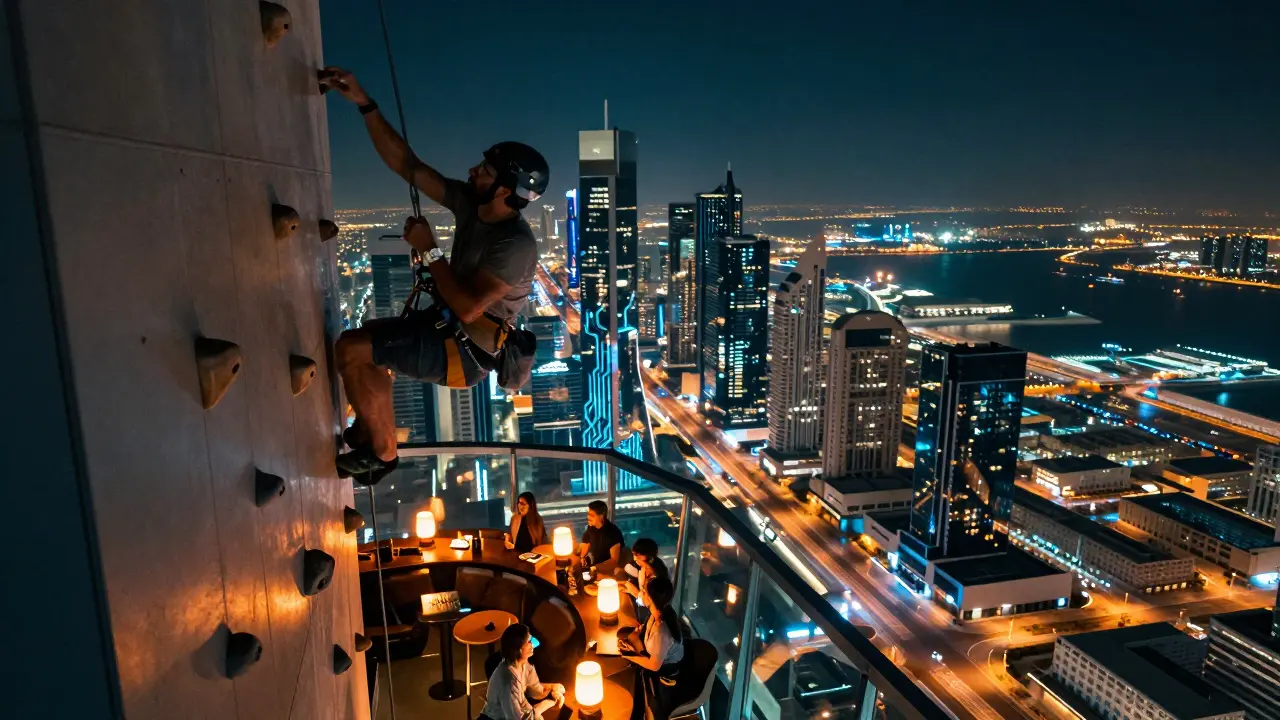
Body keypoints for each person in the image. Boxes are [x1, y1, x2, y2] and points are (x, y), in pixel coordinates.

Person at [320, 67, 549, 485]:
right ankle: (373, 429)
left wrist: (429, 248)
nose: (473, 171)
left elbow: (466, 308)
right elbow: (409, 166)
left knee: (355, 348)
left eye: (485, 169)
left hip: (465, 352)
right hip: (446, 328)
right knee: (368, 340)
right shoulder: (472, 205)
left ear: (504, 189)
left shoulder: (515, 245)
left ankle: (383, 454)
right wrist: (365, 104)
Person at [619, 577, 684, 720]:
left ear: (650, 598)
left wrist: (631, 656)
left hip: (664, 671)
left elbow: (654, 666)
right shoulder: (660, 613)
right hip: (654, 655)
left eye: (644, 592)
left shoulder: (661, 630)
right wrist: (638, 634)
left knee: (631, 676)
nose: (641, 593)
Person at [479, 624, 565, 720]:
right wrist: (541, 707)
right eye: (529, 641)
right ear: (520, 650)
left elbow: (536, 691)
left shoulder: (525, 666)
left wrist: (552, 688)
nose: (533, 643)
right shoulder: (508, 680)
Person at [577, 500, 624, 575]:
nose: (588, 517)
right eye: (588, 514)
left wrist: (595, 568)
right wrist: (582, 558)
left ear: (601, 516)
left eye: (592, 515)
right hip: (593, 566)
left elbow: (614, 560)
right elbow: (586, 543)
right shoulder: (591, 527)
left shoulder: (613, 533)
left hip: (607, 571)